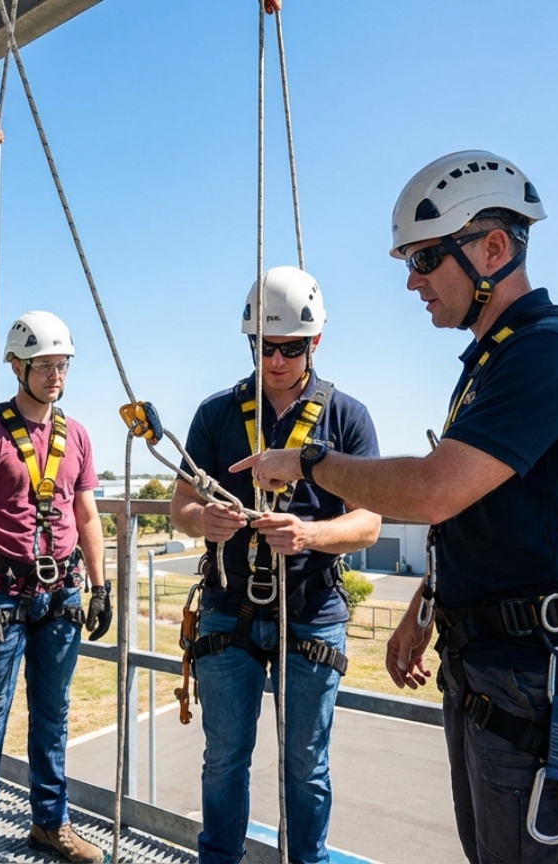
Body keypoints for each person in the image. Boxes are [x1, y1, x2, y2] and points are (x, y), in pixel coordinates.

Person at [239, 151, 558, 863]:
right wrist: (424, 611)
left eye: (424, 259)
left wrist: (306, 461)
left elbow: (431, 491)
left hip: (533, 673)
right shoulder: (495, 362)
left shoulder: (552, 352)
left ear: (492, 248)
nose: (413, 281)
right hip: (493, 662)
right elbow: (482, 518)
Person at [169, 267, 382, 864]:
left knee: (305, 765)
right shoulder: (217, 415)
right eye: (266, 347)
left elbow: (368, 522)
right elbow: (181, 504)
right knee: (224, 759)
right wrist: (200, 522)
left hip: (310, 612)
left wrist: (310, 534)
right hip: (228, 612)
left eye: (291, 348)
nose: (278, 360)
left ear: (315, 343)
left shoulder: (346, 419)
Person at [0, 311, 112, 864]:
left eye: (61, 365)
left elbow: (87, 516)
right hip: (0, 595)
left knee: (54, 714)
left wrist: (100, 584)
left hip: (61, 595)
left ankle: (50, 824)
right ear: (17, 366)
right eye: (44, 365)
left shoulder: (78, 436)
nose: (54, 375)